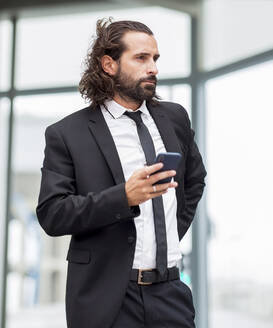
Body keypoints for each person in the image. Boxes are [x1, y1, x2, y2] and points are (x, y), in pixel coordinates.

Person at [36, 18, 207, 328]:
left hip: (171, 294)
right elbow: (52, 213)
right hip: (107, 298)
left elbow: (194, 181)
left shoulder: (174, 118)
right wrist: (123, 197)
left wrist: (168, 233)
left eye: (155, 58)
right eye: (141, 58)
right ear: (109, 64)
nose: (153, 67)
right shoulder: (67, 134)